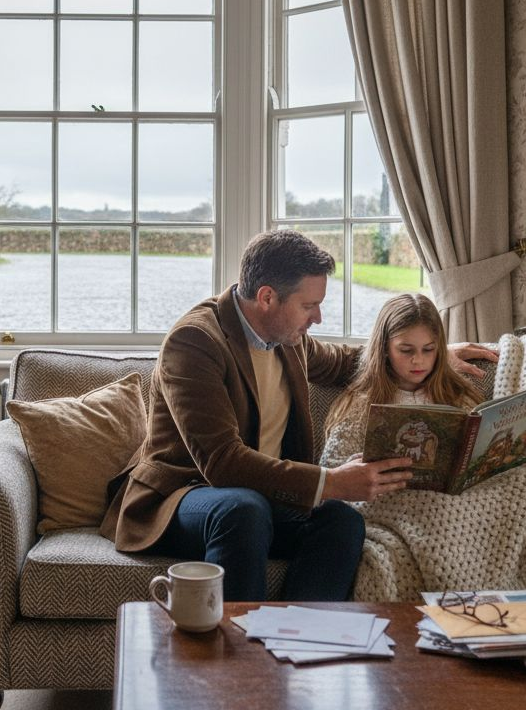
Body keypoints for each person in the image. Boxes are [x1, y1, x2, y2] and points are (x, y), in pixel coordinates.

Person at [98, 231, 498, 602]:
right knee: (243, 509)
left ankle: (299, 635)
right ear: (267, 297)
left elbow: (348, 362)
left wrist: (432, 355)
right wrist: (331, 481)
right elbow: (222, 463)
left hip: (263, 500)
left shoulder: (288, 338)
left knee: (342, 521)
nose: (317, 318)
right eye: (309, 306)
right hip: (183, 496)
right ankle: (238, 650)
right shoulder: (195, 342)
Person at [320, 293, 526, 474]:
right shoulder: (361, 405)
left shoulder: (457, 397)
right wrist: (361, 467)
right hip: (389, 498)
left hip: (455, 502)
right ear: (384, 350)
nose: (418, 360)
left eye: (428, 349)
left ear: (440, 349)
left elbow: (491, 465)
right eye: (406, 350)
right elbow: (332, 470)